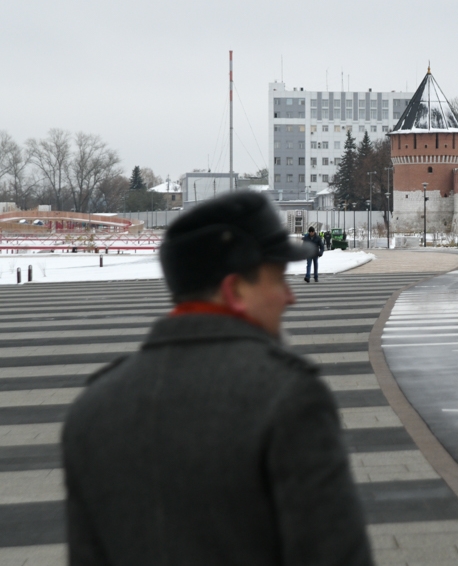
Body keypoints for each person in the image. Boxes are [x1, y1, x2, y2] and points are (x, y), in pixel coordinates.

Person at [62, 191, 373, 566]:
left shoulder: (91, 410)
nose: (289, 297)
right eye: (277, 279)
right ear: (235, 290)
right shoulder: (288, 398)